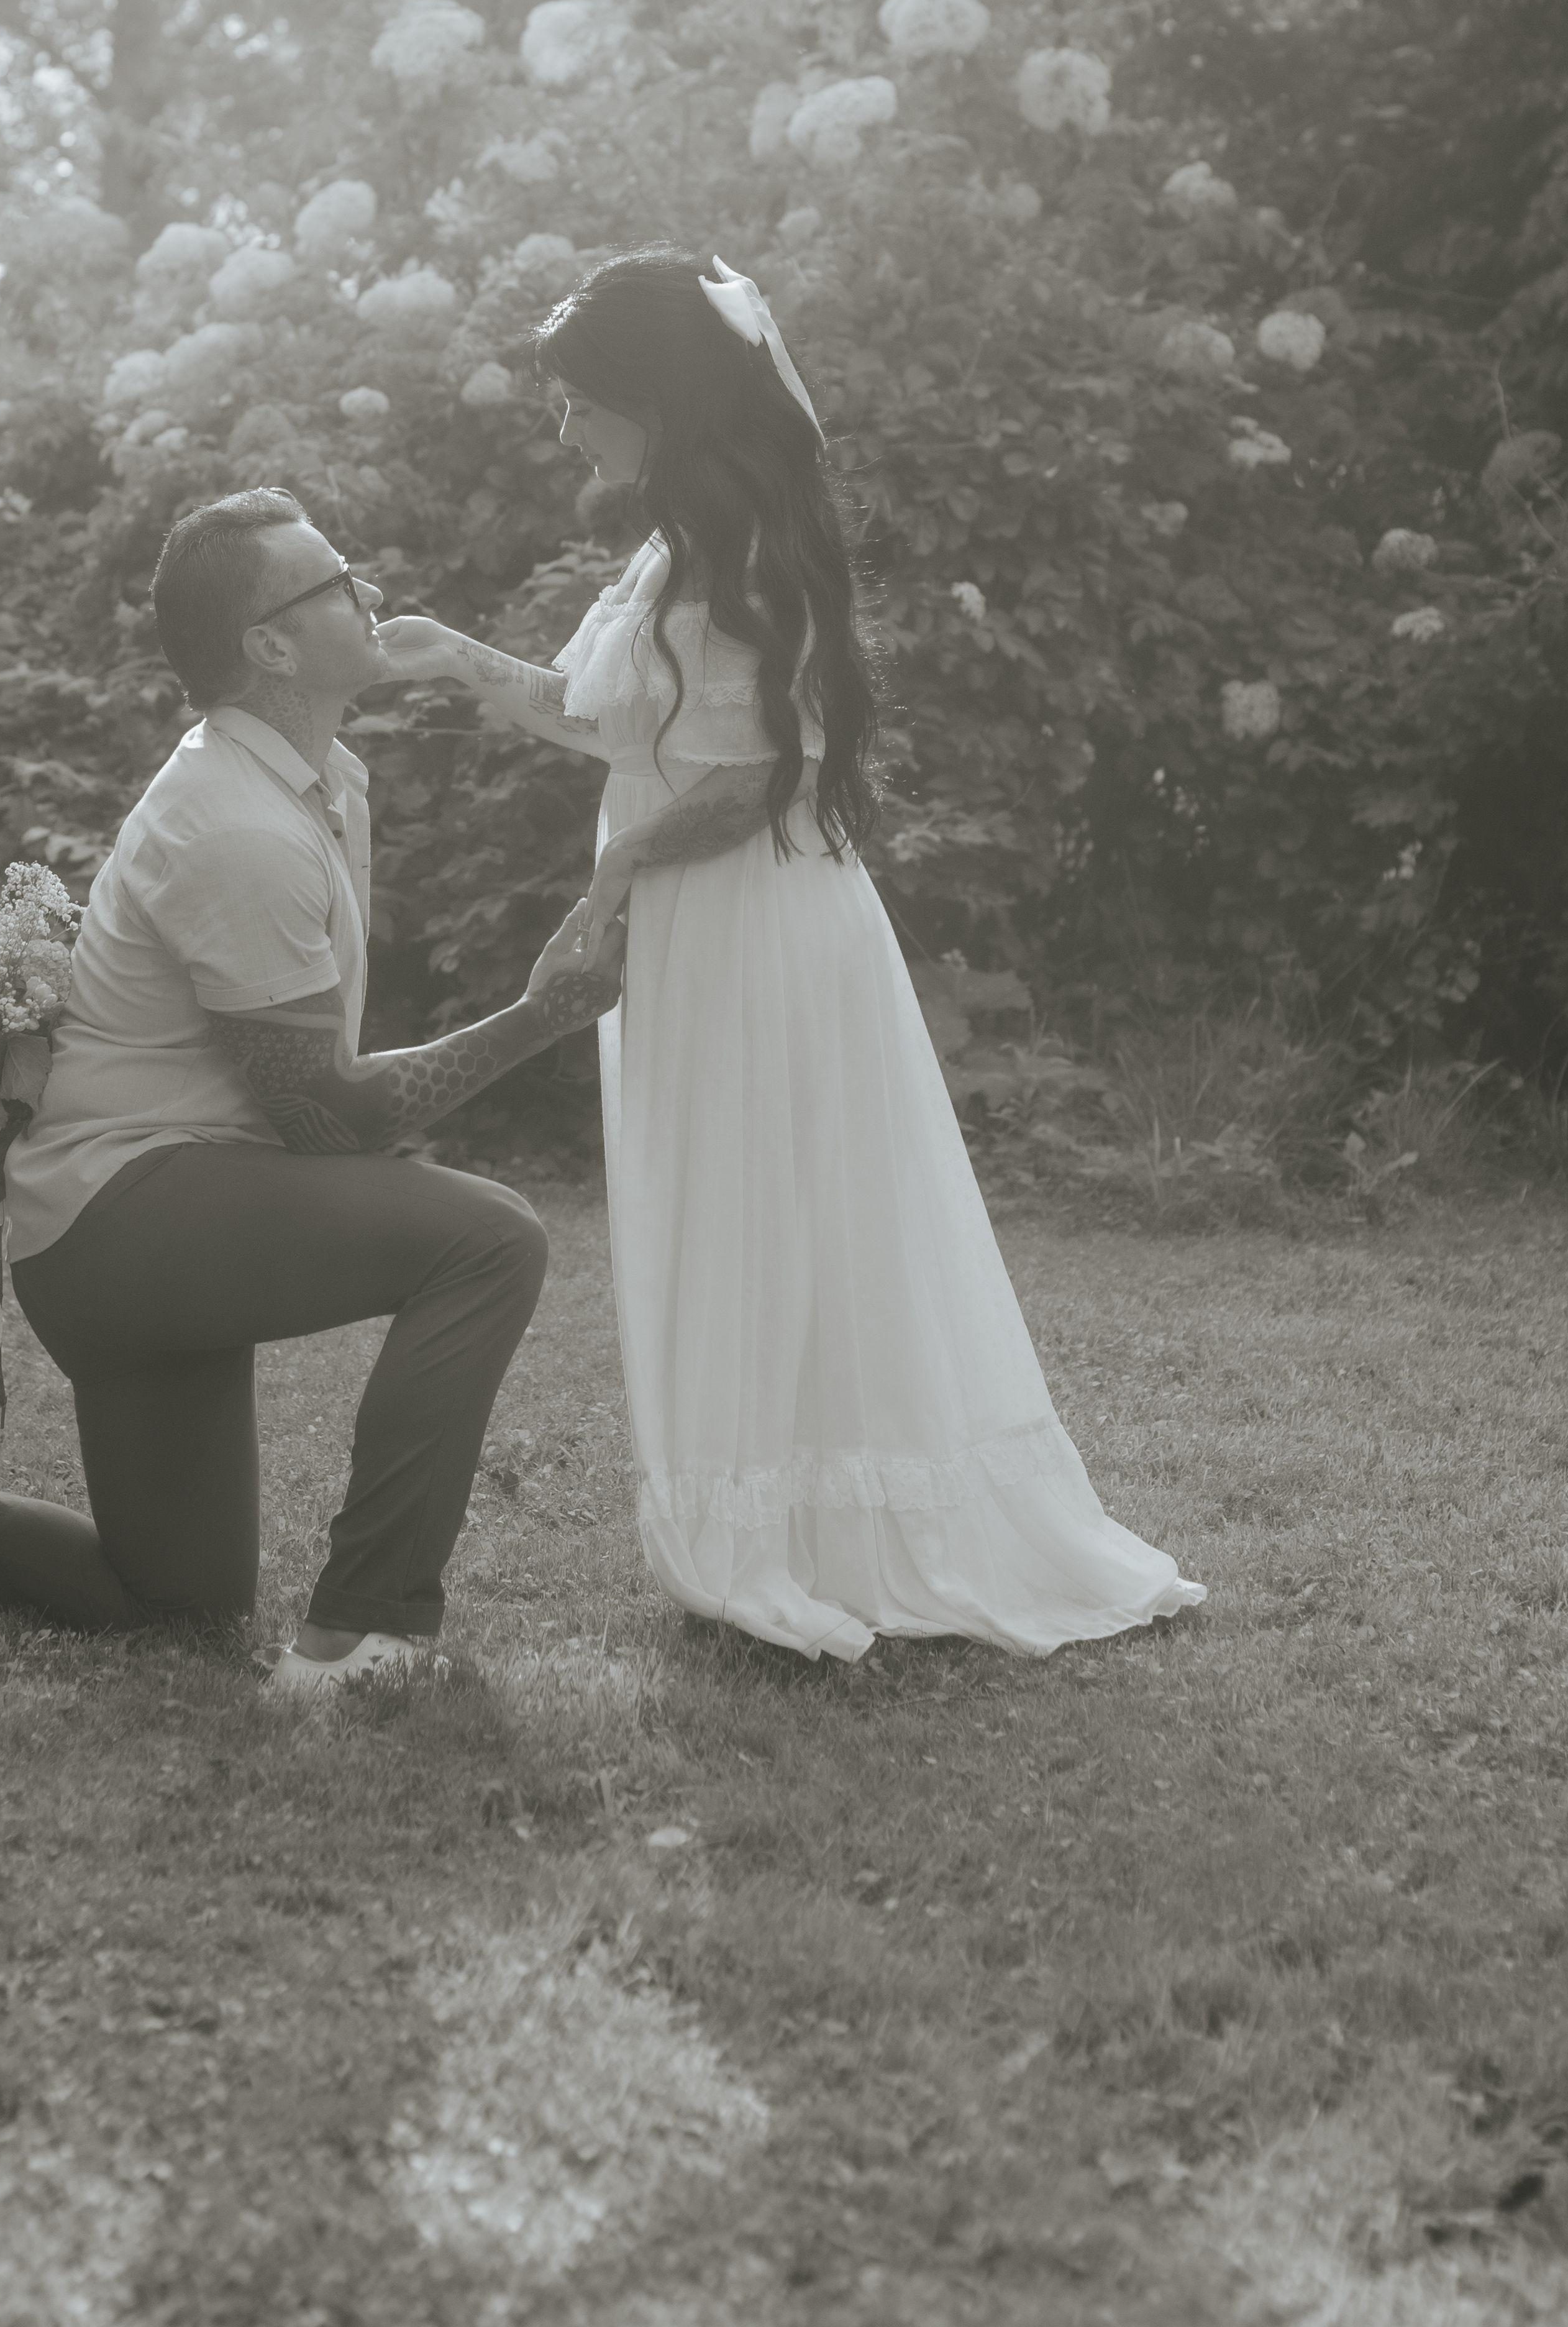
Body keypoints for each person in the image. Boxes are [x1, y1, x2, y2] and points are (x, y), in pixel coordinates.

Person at [376, 249, 1203, 1663]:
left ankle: (814, 1527)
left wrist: (613, 877)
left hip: (752, 920)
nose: (562, 430)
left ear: (655, 397)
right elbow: (607, 723)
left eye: (578, 402)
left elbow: (766, 774)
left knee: (779, 1203)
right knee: (731, 1200)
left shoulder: (752, 549)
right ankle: (776, 1512)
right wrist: (453, 655)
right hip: (699, 918)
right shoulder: (673, 549)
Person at [0, 488, 624, 1698]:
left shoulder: (300, 778)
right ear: (270, 645)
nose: (368, 592)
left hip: (127, 1221)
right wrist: (541, 1016)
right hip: (127, 1224)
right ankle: (362, 1634)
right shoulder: (235, 824)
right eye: (336, 581)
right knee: (490, 1240)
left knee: (177, 1596)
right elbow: (329, 1120)